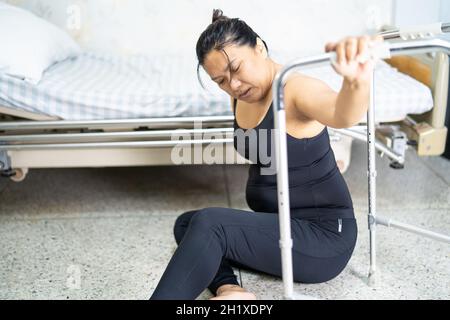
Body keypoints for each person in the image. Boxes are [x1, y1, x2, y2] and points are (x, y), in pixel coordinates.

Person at [150, 9, 383, 300]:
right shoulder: (240, 95)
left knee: (211, 224)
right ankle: (230, 290)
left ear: (259, 47)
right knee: (188, 222)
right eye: (220, 81)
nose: (232, 84)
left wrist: (356, 81)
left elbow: (342, 113)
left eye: (236, 68)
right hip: (282, 225)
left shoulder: (294, 89)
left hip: (323, 239)